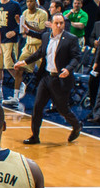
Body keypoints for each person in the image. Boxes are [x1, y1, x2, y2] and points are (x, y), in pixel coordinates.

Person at [17, 13, 83, 144]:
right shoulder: (46, 36)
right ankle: (35, 136)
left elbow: (77, 57)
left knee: (62, 109)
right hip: (46, 77)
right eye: (56, 23)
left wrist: (68, 69)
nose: (59, 26)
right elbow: (40, 53)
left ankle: (76, 126)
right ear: (51, 24)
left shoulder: (71, 39)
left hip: (60, 80)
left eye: (61, 23)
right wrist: (24, 62)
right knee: (37, 107)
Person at [7, 0, 48, 107]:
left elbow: (42, 32)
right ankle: (16, 96)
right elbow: (23, 31)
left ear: (36, 2)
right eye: (27, 1)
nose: (29, 3)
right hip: (28, 46)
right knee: (18, 68)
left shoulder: (43, 14)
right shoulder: (24, 13)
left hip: (40, 46)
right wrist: (20, 25)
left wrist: (26, 25)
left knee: (44, 74)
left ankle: (49, 99)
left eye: (31, 1)